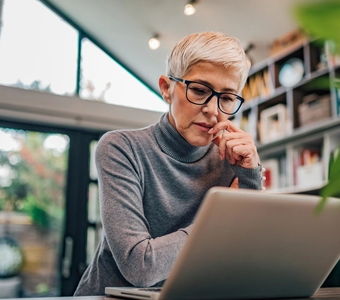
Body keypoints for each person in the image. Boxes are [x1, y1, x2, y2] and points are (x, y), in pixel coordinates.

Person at [74, 31, 263, 296]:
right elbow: (140, 266)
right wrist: (217, 224)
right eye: (199, 90)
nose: (213, 109)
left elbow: (247, 259)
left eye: (228, 98)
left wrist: (251, 176)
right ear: (166, 88)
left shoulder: (232, 160)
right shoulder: (121, 148)